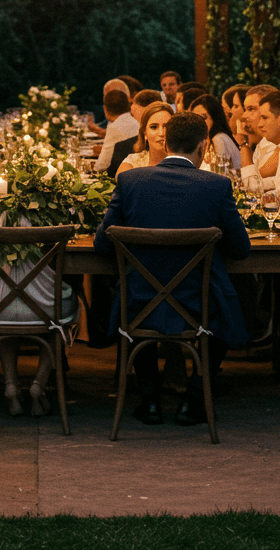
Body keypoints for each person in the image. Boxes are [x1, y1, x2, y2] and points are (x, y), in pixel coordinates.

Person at [94, 112, 250, 426]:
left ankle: (150, 400)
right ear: (204, 146)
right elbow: (241, 250)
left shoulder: (130, 181)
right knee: (233, 301)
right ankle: (194, 399)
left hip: (139, 302)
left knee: (135, 296)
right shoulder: (217, 186)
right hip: (199, 305)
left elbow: (102, 245)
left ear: (166, 143)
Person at [0, 226, 80, 417]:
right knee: (56, 316)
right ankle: (39, 384)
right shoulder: (53, 223)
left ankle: (11, 385)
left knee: (7, 308)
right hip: (45, 309)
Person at [114, 101, 172, 177]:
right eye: (154, 127)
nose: (161, 133)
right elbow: (122, 182)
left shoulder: (184, 161)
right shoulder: (133, 161)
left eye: (166, 126)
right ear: (145, 133)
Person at [191, 93, 241, 171]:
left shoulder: (219, 138)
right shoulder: (203, 142)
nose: (199, 123)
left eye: (203, 118)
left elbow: (221, 174)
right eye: (195, 119)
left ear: (214, 118)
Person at [93, 89, 140, 172]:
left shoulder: (114, 127)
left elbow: (102, 164)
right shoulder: (135, 121)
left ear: (105, 109)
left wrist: (92, 167)